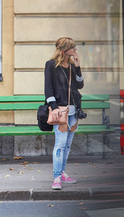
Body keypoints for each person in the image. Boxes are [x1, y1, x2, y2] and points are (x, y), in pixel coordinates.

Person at [44, 37, 84, 190]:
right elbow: (48, 88)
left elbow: (80, 85)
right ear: (64, 50)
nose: (75, 50)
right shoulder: (51, 65)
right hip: (60, 111)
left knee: (67, 145)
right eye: (73, 48)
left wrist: (78, 66)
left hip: (73, 112)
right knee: (60, 145)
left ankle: (62, 173)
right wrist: (53, 107)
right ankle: (56, 177)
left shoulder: (72, 66)